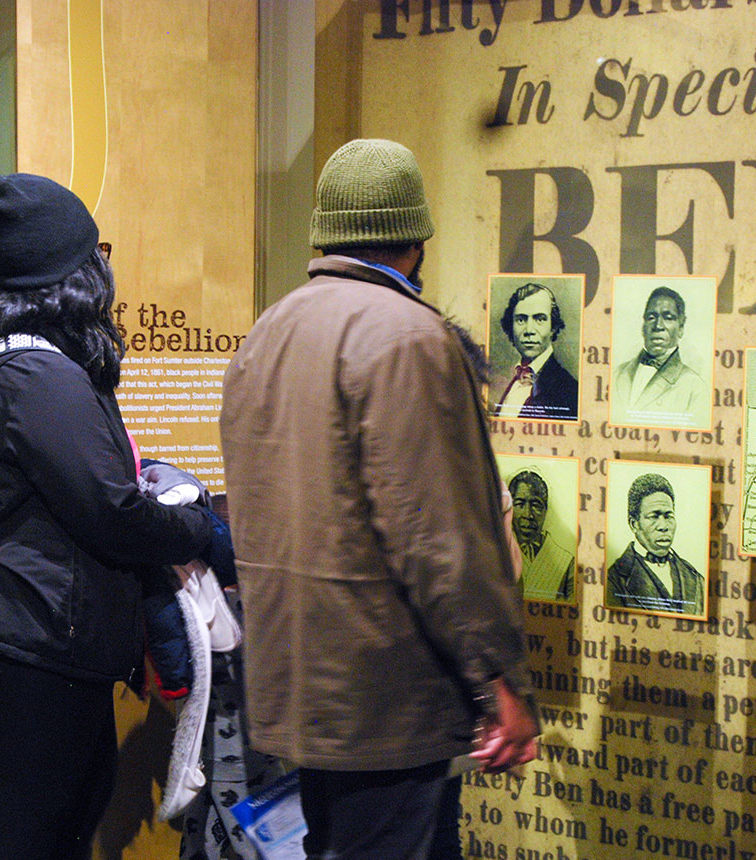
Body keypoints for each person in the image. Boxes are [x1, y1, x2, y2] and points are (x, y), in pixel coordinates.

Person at [220, 139, 539, 860]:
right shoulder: (410, 339)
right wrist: (500, 681)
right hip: (388, 694)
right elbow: (441, 538)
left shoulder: (268, 334)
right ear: (418, 238)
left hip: (302, 686)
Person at [0, 172, 217, 860]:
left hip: (26, 632)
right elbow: (112, 514)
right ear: (71, 270)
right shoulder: (38, 375)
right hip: (38, 641)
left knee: (51, 822)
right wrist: (202, 527)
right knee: (36, 833)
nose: (106, 265)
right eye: (98, 251)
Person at [606, 473, 706, 616]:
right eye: (654, 516)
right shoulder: (614, 578)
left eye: (668, 516)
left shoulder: (695, 578)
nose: (663, 526)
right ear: (634, 524)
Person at [611, 285, 708, 426]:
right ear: (643, 327)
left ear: (681, 328)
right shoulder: (617, 374)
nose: (658, 325)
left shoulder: (694, 387)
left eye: (668, 318)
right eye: (651, 317)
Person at [494, 282, 577, 420]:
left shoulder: (569, 390)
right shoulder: (516, 380)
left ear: (553, 327)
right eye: (521, 320)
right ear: (511, 325)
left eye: (539, 319)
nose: (529, 330)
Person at [508, 470, 574, 603]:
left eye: (536, 505)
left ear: (545, 510)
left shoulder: (565, 561)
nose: (528, 514)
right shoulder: (496, 555)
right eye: (520, 504)